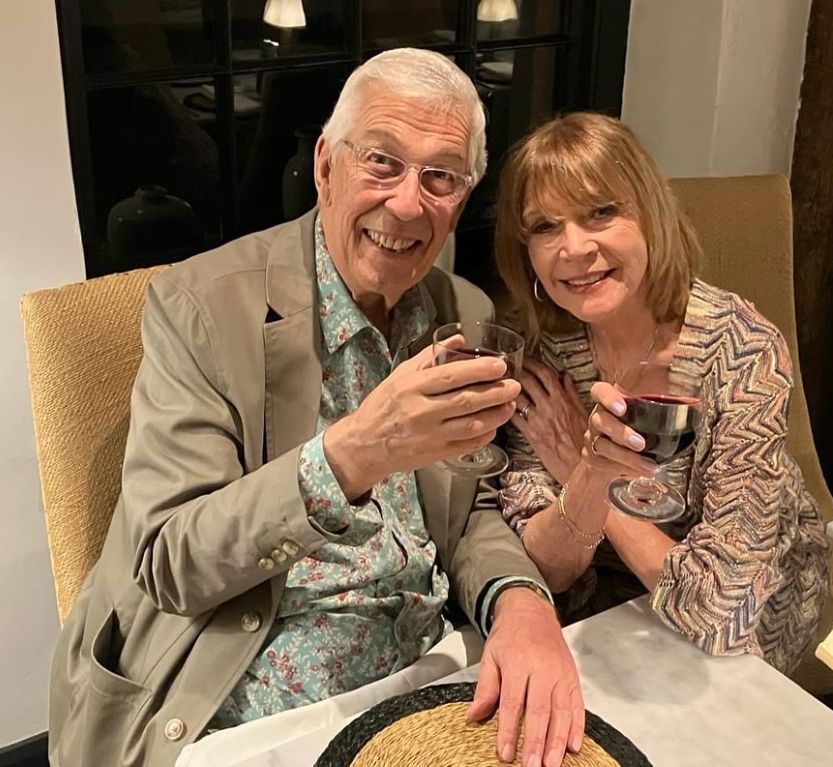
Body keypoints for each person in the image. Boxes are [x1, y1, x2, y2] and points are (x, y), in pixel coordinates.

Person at [48, 49, 584, 767]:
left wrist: (519, 599)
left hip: (421, 670)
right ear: (326, 164)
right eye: (382, 161)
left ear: (463, 198)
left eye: (441, 176)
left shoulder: (462, 310)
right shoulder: (202, 307)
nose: (407, 203)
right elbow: (172, 563)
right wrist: (355, 452)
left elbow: (468, 507)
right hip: (244, 686)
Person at [494, 112, 830, 674]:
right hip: (606, 614)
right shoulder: (542, 355)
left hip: (750, 628)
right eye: (545, 226)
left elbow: (720, 613)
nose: (573, 247)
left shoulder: (742, 350)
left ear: (650, 213)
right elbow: (549, 571)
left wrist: (582, 465)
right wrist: (591, 477)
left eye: (601, 212)